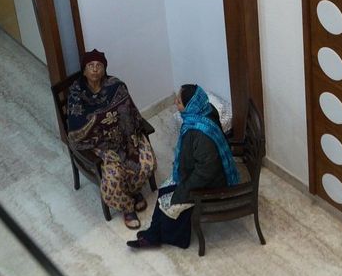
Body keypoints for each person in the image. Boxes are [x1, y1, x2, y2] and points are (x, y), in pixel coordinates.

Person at [127, 83, 239, 250]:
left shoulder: (199, 133)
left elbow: (205, 171)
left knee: (170, 200)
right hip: (201, 173)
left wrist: (184, 189)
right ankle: (153, 234)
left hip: (211, 184)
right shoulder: (205, 111)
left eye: (179, 101)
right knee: (163, 191)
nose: (175, 102)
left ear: (190, 105)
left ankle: (171, 238)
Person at [67, 49, 156, 230]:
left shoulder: (115, 85)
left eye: (98, 66)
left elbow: (129, 110)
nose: (94, 70)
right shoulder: (77, 92)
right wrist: (102, 119)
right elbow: (78, 123)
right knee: (114, 175)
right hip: (99, 143)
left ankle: (133, 190)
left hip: (125, 135)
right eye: (90, 66)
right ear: (84, 70)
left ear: (104, 69)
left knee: (146, 162)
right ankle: (127, 206)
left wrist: (122, 127)